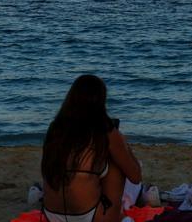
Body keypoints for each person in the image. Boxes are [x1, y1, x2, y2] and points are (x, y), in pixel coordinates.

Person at [40, 75, 142, 222]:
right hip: (88, 216)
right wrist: (123, 143)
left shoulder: (55, 128)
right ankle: (120, 216)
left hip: (51, 214)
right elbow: (135, 176)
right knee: (116, 165)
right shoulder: (106, 131)